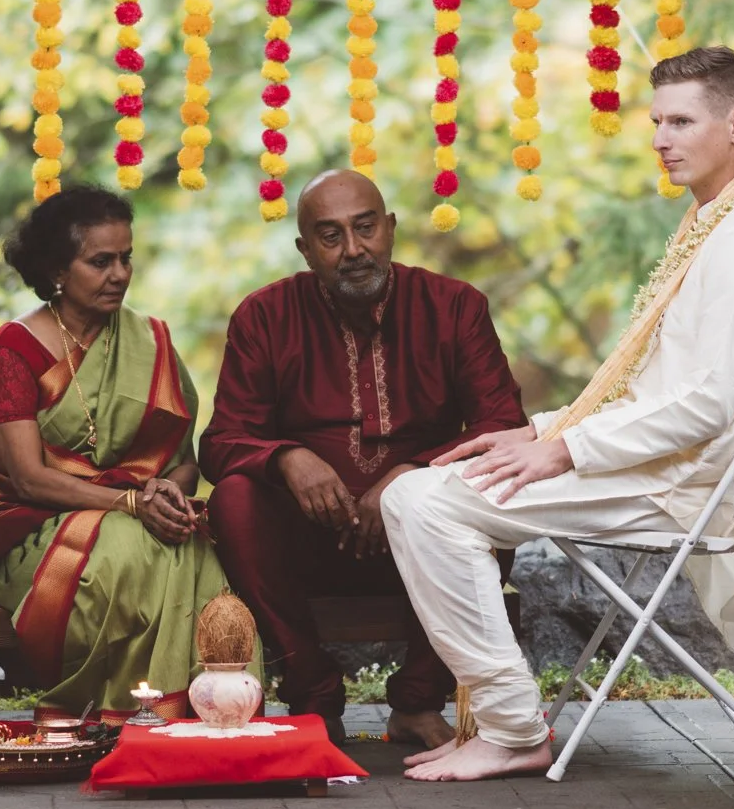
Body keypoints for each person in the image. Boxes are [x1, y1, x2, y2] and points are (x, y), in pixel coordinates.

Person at [382, 47, 734, 781]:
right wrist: (542, 429)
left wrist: (564, 450)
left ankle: (514, 726)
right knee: (420, 489)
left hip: (671, 483)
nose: (659, 139)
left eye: (681, 121)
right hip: (635, 462)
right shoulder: (711, 224)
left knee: (421, 502)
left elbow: (705, 407)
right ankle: (509, 718)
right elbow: (653, 388)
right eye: (656, 122)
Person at [199, 170, 528, 746]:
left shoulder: (454, 307)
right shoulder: (265, 316)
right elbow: (222, 441)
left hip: (422, 540)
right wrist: (285, 458)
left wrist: (414, 477)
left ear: (391, 229)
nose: (353, 250)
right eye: (330, 236)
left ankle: (417, 701)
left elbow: (502, 427)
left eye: (365, 228)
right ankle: (314, 698)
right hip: (307, 542)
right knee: (234, 499)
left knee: (494, 496)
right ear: (305, 250)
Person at [0, 186, 242, 720]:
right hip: (31, 528)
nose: (119, 274)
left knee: (191, 547)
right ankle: (124, 715)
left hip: (135, 517)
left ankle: (204, 714)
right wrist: (131, 504)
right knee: (125, 547)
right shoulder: (14, 351)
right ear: (56, 270)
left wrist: (166, 491)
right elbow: (28, 479)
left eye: (126, 258)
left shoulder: (151, 341)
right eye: (100, 262)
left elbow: (183, 459)